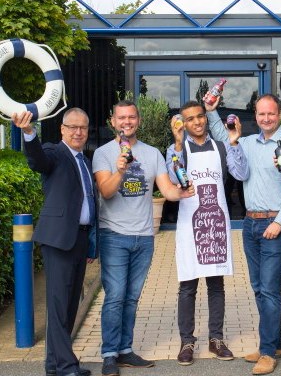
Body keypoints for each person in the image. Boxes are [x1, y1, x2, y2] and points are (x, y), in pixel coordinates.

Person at [92, 100, 195, 376]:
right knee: (115, 295)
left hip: (144, 237)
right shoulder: (103, 153)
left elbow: (167, 190)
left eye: (131, 117)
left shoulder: (152, 154)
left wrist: (182, 193)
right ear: (113, 122)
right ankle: (109, 354)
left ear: (138, 120)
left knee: (132, 297)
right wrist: (120, 170)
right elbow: (106, 192)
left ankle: (125, 350)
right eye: (121, 118)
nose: (127, 122)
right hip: (114, 235)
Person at [206, 93, 281, 375]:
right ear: (256, 116)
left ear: (279, 114)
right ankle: (275, 343)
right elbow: (223, 136)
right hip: (250, 225)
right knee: (260, 288)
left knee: (270, 289)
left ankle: (268, 352)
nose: (266, 118)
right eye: (261, 114)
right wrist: (211, 111)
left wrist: (280, 222)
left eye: (271, 113)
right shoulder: (246, 143)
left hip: (276, 224)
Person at [12, 108, 96, 376]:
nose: (78, 132)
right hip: (58, 239)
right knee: (59, 305)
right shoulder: (54, 152)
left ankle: (54, 364)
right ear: (62, 129)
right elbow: (37, 160)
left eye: (83, 128)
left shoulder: (85, 161)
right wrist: (28, 133)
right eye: (73, 127)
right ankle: (67, 366)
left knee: (70, 305)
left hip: (79, 239)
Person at [165, 100, 249, 366]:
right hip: (189, 223)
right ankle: (186, 341)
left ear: (206, 117)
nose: (197, 122)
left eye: (200, 116)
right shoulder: (176, 149)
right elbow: (174, 179)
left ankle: (216, 339)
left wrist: (234, 142)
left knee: (216, 284)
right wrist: (178, 144)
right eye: (190, 119)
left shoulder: (221, 146)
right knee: (188, 285)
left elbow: (241, 173)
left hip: (216, 222)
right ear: (183, 123)